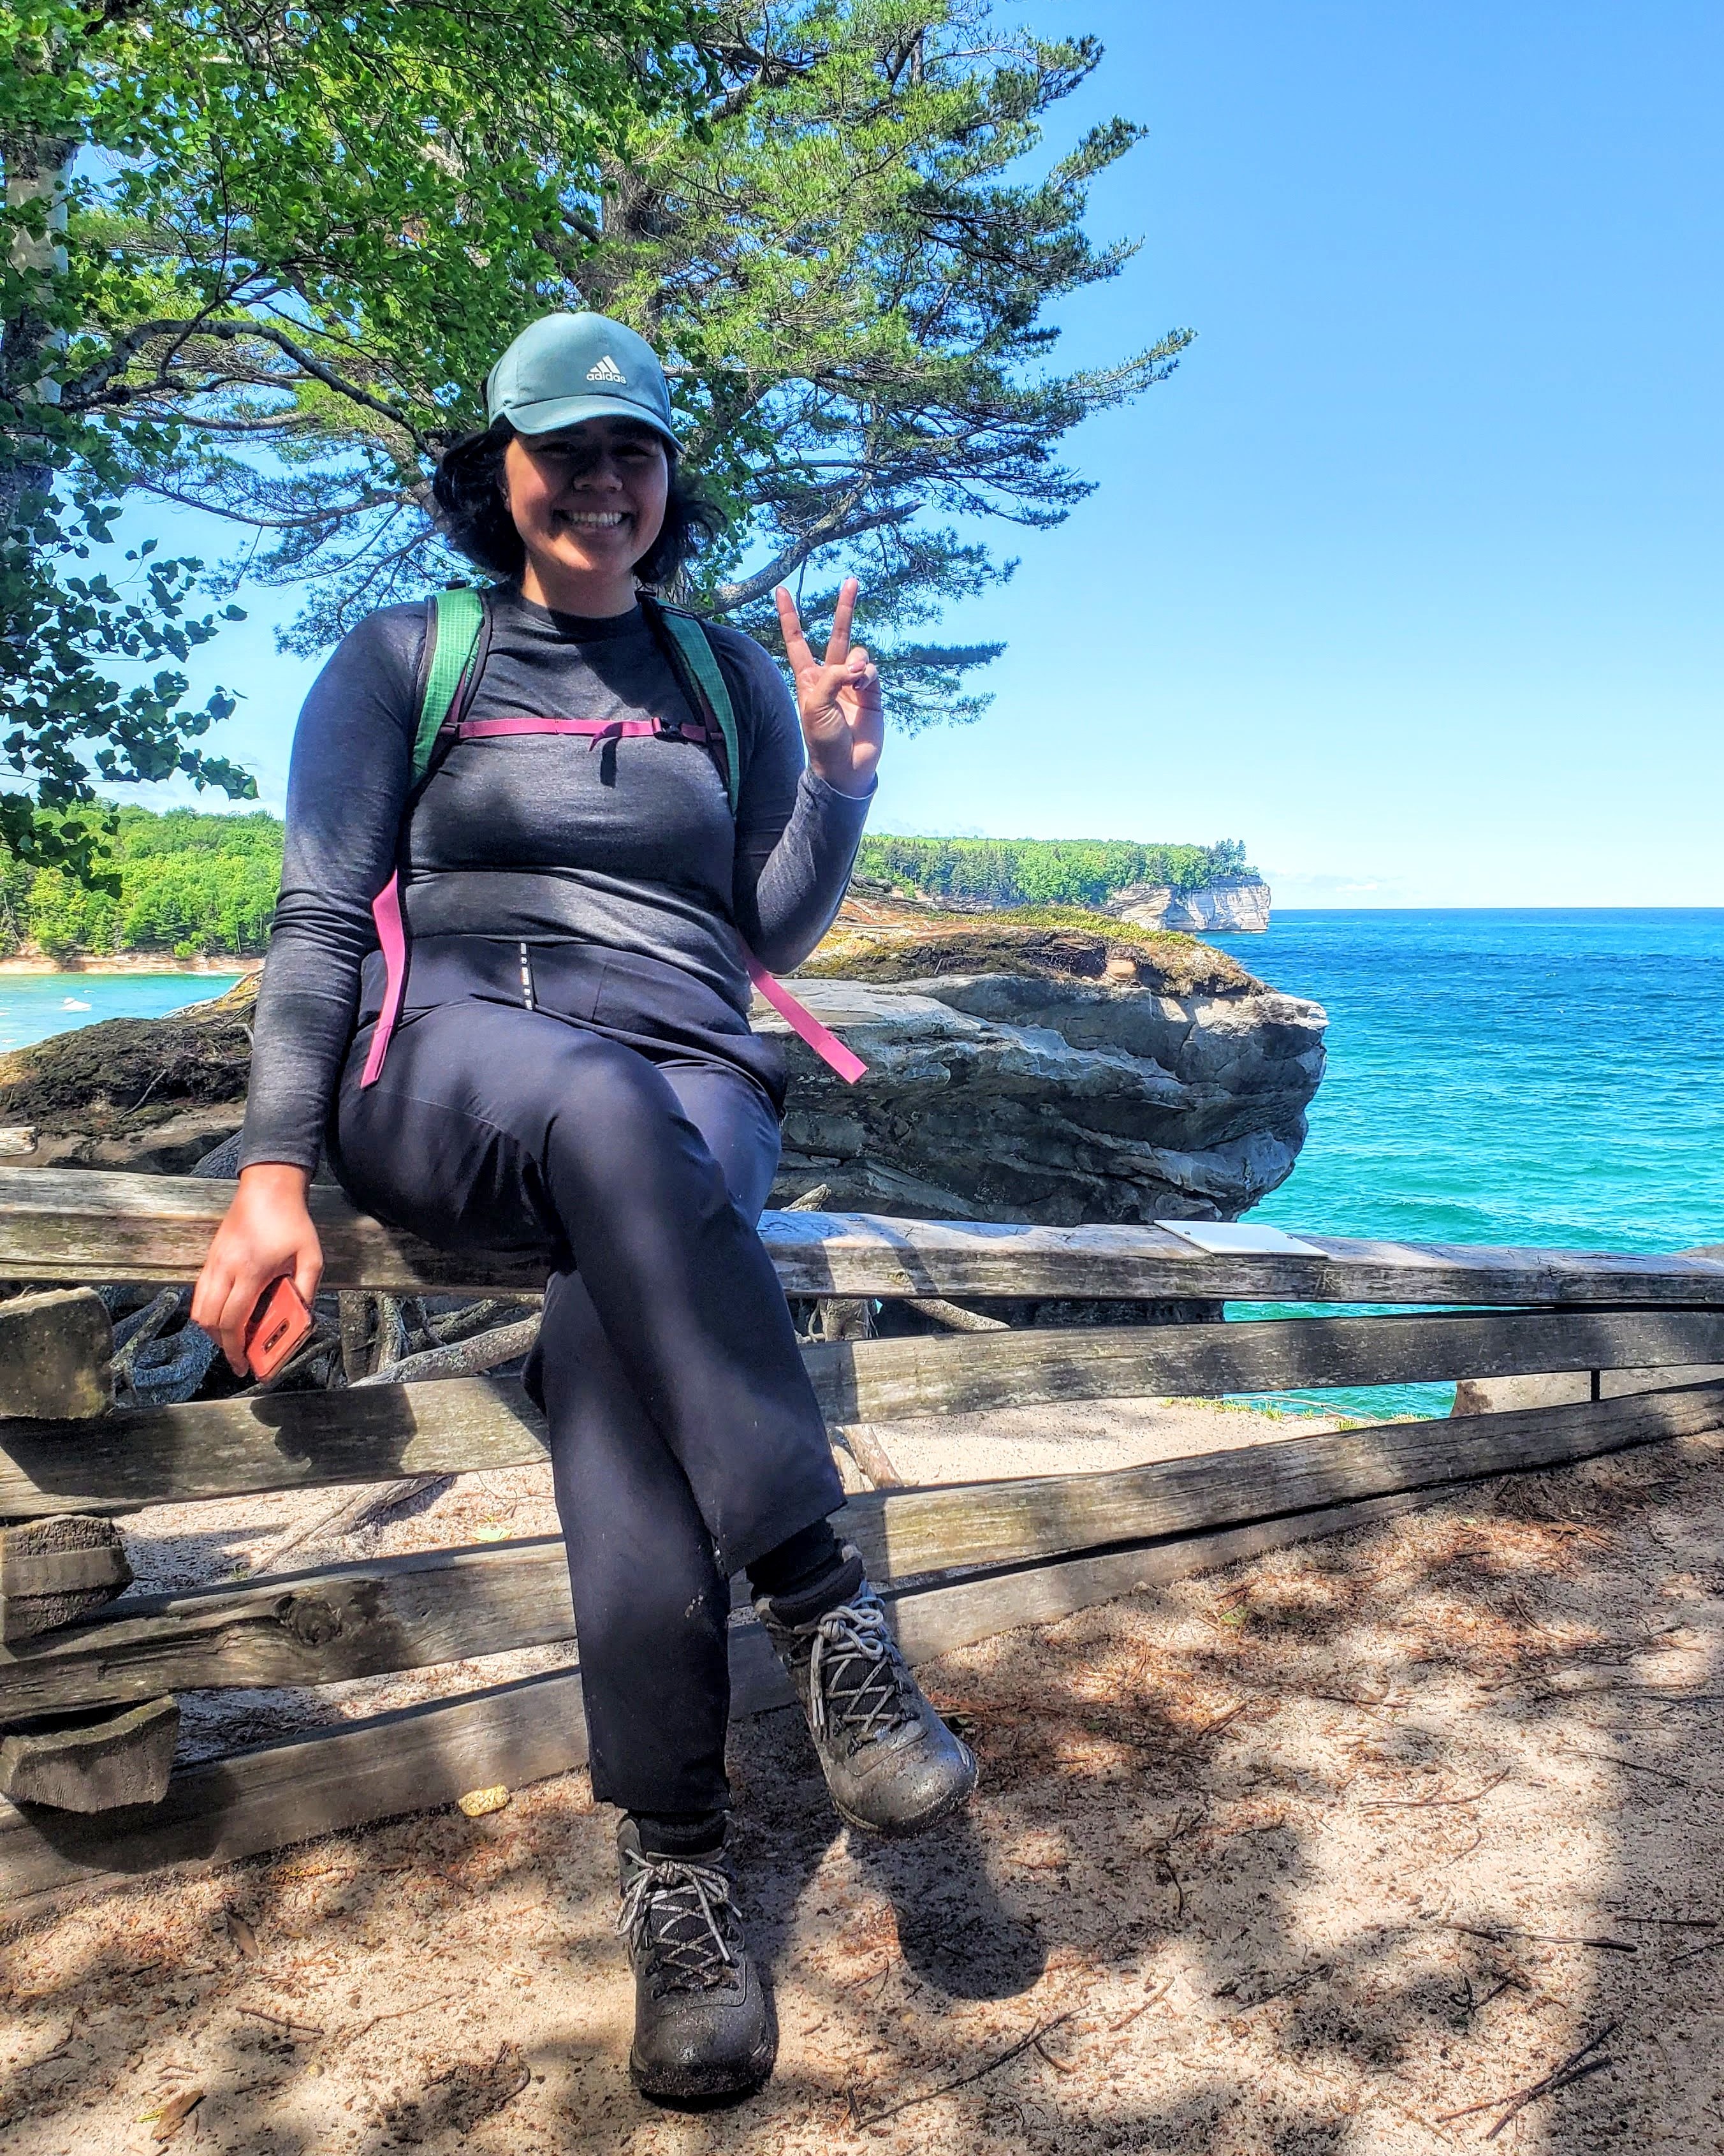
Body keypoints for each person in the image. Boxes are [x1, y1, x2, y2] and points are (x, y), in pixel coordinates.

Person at [191, 311, 976, 2104]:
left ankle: (680, 1871)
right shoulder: (407, 654)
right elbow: (320, 922)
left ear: (665, 481)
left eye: (634, 448)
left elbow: (763, 935)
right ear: (500, 473)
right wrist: (269, 1171)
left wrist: (846, 787)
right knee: (610, 1110)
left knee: (617, 1357)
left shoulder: (723, 681)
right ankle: (826, 1607)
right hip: (459, 1064)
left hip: (695, 1073)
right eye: (564, 448)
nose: (601, 478)